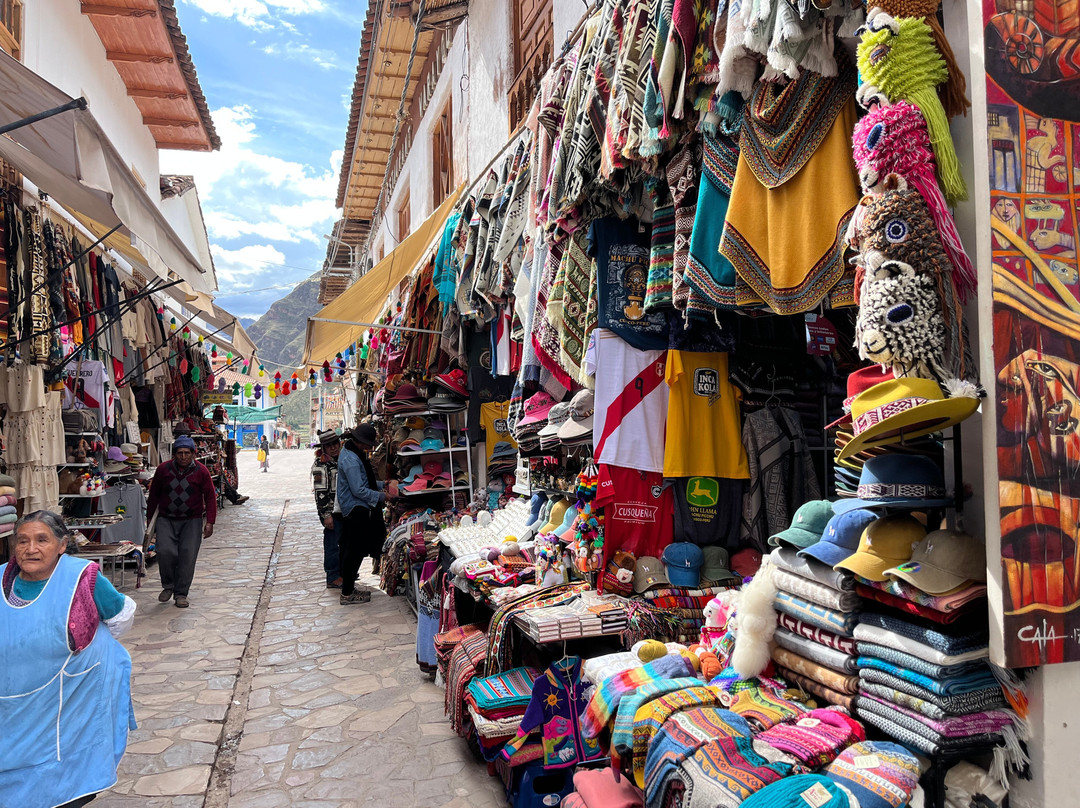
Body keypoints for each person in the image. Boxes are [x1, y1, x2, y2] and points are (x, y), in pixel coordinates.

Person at [0, 511, 136, 808]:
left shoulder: (82, 578)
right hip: (12, 706)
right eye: (22, 541)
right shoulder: (1, 579)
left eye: (41, 540)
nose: (30, 549)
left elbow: (119, 617)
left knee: (62, 781)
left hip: (68, 703)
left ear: (62, 545)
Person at [146, 435, 217, 608]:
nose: (183, 457)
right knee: (165, 552)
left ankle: (181, 593)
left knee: (187, 556)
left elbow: (210, 497)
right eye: (180, 453)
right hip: (166, 519)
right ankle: (168, 586)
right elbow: (154, 495)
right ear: (174, 454)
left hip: (191, 520)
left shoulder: (201, 472)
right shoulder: (163, 470)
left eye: (187, 453)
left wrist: (210, 522)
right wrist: (149, 521)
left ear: (193, 453)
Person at [337, 424, 394, 605]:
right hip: (356, 509)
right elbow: (359, 490)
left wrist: (380, 484)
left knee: (353, 549)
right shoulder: (352, 460)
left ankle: (349, 589)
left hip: (355, 507)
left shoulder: (351, 453)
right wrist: (382, 496)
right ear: (361, 441)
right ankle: (347, 593)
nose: (369, 447)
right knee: (354, 551)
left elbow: (363, 482)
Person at [312, 428, 343, 588]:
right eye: (329, 445)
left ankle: (341, 572)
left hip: (341, 509)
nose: (333, 447)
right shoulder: (320, 465)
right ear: (323, 447)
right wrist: (326, 515)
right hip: (331, 511)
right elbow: (320, 493)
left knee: (341, 543)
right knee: (332, 544)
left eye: (335, 443)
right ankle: (332, 575)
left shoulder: (339, 460)